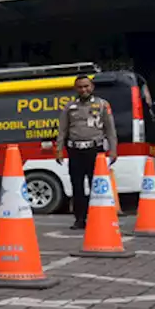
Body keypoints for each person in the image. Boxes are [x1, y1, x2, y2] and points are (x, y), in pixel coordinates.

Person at [55, 74, 117, 230]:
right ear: (76, 89)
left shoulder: (103, 105)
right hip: (75, 150)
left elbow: (110, 130)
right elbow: (62, 130)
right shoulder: (69, 107)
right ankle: (80, 219)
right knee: (77, 186)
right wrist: (59, 150)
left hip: (95, 150)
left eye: (86, 86)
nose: (83, 89)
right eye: (80, 87)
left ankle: (98, 218)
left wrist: (113, 150)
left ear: (92, 87)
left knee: (96, 185)